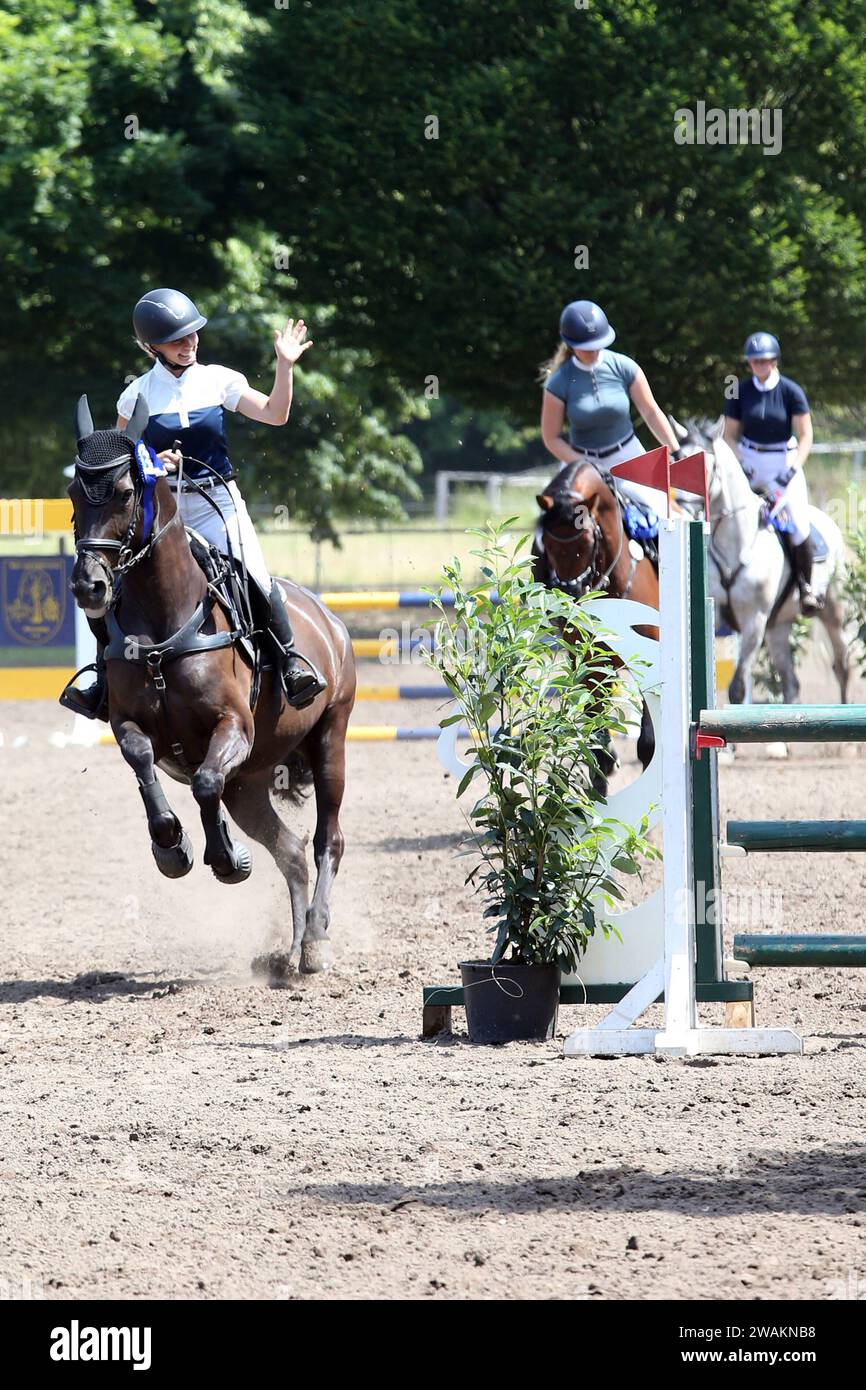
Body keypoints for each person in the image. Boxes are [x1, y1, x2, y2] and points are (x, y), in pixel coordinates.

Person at [65, 287, 326, 718]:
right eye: (178, 339)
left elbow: (276, 413)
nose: (190, 344)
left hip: (217, 501)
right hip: (164, 511)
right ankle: (100, 679)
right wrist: (153, 460)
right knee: (114, 590)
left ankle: (290, 660)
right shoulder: (135, 396)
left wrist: (285, 365)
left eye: (193, 335)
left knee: (256, 576)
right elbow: (120, 463)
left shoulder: (218, 379)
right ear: (153, 347)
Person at [540, 299, 687, 519]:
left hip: (627, 456)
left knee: (667, 516)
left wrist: (676, 451)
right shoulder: (559, 382)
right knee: (553, 519)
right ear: (570, 344)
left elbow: (650, 412)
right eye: (586, 347)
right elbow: (551, 438)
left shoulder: (624, 366)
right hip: (581, 460)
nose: (593, 351)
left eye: (597, 343)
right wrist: (584, 464)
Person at [723, 331, 819, 614]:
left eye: (765, 361)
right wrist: (742, 461)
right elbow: (729, 435)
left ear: (774, 361)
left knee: (799, 522)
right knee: (733, 514)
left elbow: (805, 435)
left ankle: (806, 586)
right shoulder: (739, 391)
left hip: (784, 460)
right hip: (750, 460)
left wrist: (793, 469)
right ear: (749, 364)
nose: (760, 366)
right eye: (755, 362)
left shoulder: (791, 391)